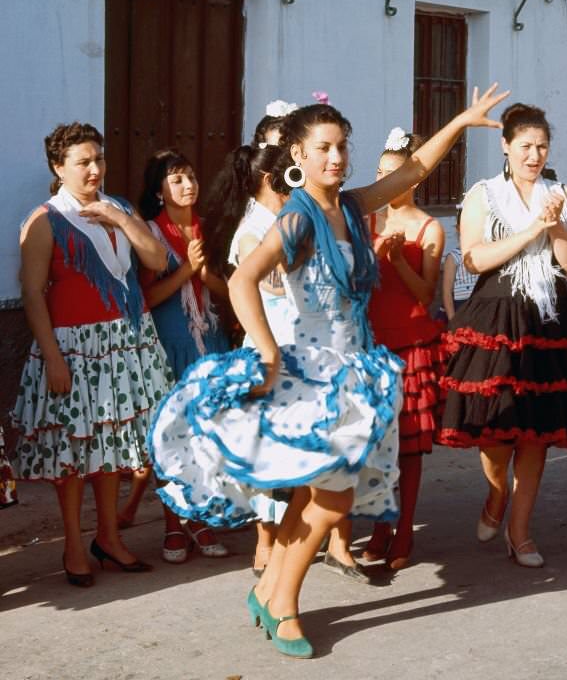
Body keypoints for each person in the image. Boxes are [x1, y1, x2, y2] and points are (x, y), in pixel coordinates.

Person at [149, 84, 507, 657]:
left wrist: (461, 121)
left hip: (352, 367)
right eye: (323, 148)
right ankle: (285, 605)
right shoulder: (300, 218)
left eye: (341, 146)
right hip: (311, 372)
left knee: (316, 496)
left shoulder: (350, 204)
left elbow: (412, 167)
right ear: (298, 155)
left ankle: (269, 590)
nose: (336, 157)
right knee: (333, 498)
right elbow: (241, 281)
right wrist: (264, 350)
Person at [436, 103, 567, 568]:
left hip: (548, 318)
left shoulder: (563, 194)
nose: (534, 155)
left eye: (542, 147)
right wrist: (531, 227)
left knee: (536, 434)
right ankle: (495, 496)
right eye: (526, 146)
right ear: (506, 147)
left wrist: (553, 227)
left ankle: (521, 531)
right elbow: (473, 259)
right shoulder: (483, 194)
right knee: (494, 433)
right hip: (496, 315)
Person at [12, 122, 173, 585]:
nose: (94, 169)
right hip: (75, 350)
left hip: (125, 344)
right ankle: (73, 546)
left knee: (112, 450)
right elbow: (32, 294)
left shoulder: (118, 206)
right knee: (73, 453)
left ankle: (109, 538)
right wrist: (52, 358)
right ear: (58, 167)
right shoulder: (43, 220)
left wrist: (122, 219)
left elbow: (157, 261)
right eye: (83, 162)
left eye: (98, 159)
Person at [117, 149, 232, 562]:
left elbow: (229, 290)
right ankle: (172, 526)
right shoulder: (149, 232)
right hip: (169, 343)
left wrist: (203, 274)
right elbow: (146, 297)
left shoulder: (211, 229)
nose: (188, 185)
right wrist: (185, 271)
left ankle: (202, 521)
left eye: (191, 176)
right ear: (159, 191)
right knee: (171, 437)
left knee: (207, 436)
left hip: (211, 341)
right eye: (177, 179)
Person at [204, 136, 293, 576]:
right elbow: (271, 287)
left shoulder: (286, 219)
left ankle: (287, 543)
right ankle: (264, 544)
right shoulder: (251, 230)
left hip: (299, 346)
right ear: (267, 179)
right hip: (267, 347)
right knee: (268, 454)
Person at [360, 127, 445, 571]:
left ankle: (405, 531)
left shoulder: (429, 228)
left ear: (413, 179)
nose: (384, 182)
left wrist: (394, 260)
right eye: (378, 173)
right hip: (370, 344)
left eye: (393, 175)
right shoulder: (364, 222)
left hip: (410, 344)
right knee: (375, 444)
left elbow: (425, 294)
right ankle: (378, 526)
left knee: (408, 447)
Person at [441, 206, 478, 321]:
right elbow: (447, 292)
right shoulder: (454, 257)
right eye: (467, 226)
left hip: (481, 306)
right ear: (458, 228)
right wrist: (453, 321)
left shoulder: (486, 253)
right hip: (462, 307)